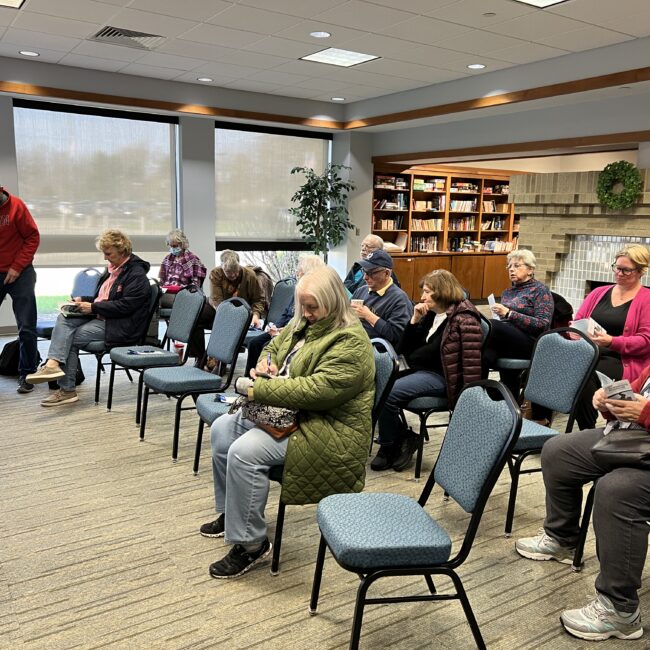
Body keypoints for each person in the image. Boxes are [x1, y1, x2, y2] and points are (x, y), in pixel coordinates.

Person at [199, 266, 375, 579]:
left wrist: (256, 387)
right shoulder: (305, 323)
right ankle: (233, 513)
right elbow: (274, 346)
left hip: (326, 427)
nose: (305, 313)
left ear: (334, 302)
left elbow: (316, 392)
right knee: (223, 429)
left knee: (244, 452)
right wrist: (268, 362)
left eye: (312, 307)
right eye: (302, 306)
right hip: (290, 412)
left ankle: (251, 544)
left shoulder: (351, 342)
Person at [515, 362, 650, 642]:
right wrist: (610, 401)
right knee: (557, 451)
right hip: (639, 437)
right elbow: (638, 389)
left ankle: (620, 610)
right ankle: (562, 537)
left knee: (616, 491)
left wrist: (646, 414)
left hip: (644, 435)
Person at [371, 269, 483, 472]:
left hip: (443, 378)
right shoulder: (432, 314)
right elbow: (402, 349)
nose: (421, 297)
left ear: (442, 292)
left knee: (387, 393)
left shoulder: (465, 319)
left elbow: (472, 363)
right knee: (375, 384)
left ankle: (389, 446)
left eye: (427, 292)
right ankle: (403, 438)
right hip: (419, 371)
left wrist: (468, 402)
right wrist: (413, 321)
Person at [26, 230, 151, 406]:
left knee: (68, 338)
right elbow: (105, 298)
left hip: (120, 325)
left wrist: (92, 307)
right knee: (64, 318)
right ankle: (53, 365)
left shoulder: (136, 275)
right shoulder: (113, 270)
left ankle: (67, 389)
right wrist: (83, 301)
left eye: (109, 254)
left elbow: (126, 306)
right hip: (102, 316)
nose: (106, 258)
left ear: (122, 251)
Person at [572, 244, 650, 430]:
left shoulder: (647, 299)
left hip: (622, 359)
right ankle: (541, 417)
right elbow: (578, 321)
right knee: (561, 363)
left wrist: (612, 341)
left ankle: (587, 429)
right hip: (590, 351)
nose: (619, 273)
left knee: (583, 373)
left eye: (626, 270)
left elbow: (646, 341)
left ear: (641, 271)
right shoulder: (598, 293)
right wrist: (578, 335)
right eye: (617, 267)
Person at [483, 249, 553, 406]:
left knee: (489, 327)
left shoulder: (540, 291)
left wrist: (509, 314)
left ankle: (479, 391)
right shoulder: (507, 292)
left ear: (530, 269)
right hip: (508, 340)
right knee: (482, 349)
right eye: (509, 266)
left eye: (516, 265)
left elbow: (542, 324)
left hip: (531, 342)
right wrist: (502, 316)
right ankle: (485, 394)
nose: (511, 269)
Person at [244, 254, 324, 376]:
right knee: (254, 343)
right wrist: (275, 326)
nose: (297, 274)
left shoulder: (315, 294)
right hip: (283, 329)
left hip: (294, 332)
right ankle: (250, 379)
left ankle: (267, 376)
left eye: (300, 272)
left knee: (266, 345)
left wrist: (282, 331)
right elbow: (287, 312)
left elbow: (302, 323)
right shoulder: (299, 289)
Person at [190, 250, 266, 361]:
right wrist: (224, 315)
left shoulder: (250, 276)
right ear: (222, 267)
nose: (233, 275)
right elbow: (216, 300)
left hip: (240, 310)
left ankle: (221, 359)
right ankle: (201, 358)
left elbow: (258, 299)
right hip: (218, 307)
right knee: (196, 317)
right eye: (229, 273)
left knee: (227, 322)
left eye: (236, 272)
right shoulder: (216, 273)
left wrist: (255, 315)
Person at [0, 185, 40, 394]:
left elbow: (32, 238)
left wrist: (17, 267)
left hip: (21, 272)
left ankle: (28, 373)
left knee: (26, 326)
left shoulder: (16, 206)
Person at [350, 249, 412, 348]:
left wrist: (368, 315)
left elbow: (396, 336)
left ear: (386, 273)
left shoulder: (400, 299)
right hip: (353, 342)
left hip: (377, 350)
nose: (365, 277)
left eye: (371, 273)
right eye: (364, 271)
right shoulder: (361, 291)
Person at [158, 229, 206, 309]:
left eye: (175, 246)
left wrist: (182, 290)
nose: (173, 248)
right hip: (167, 293)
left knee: (152, 302)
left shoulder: (193, 259)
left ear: (182, 244)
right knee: (150, 297)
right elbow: (161, 282)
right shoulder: (167, 259)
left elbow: (196, 286)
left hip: (184, 296)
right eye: (171, 246)